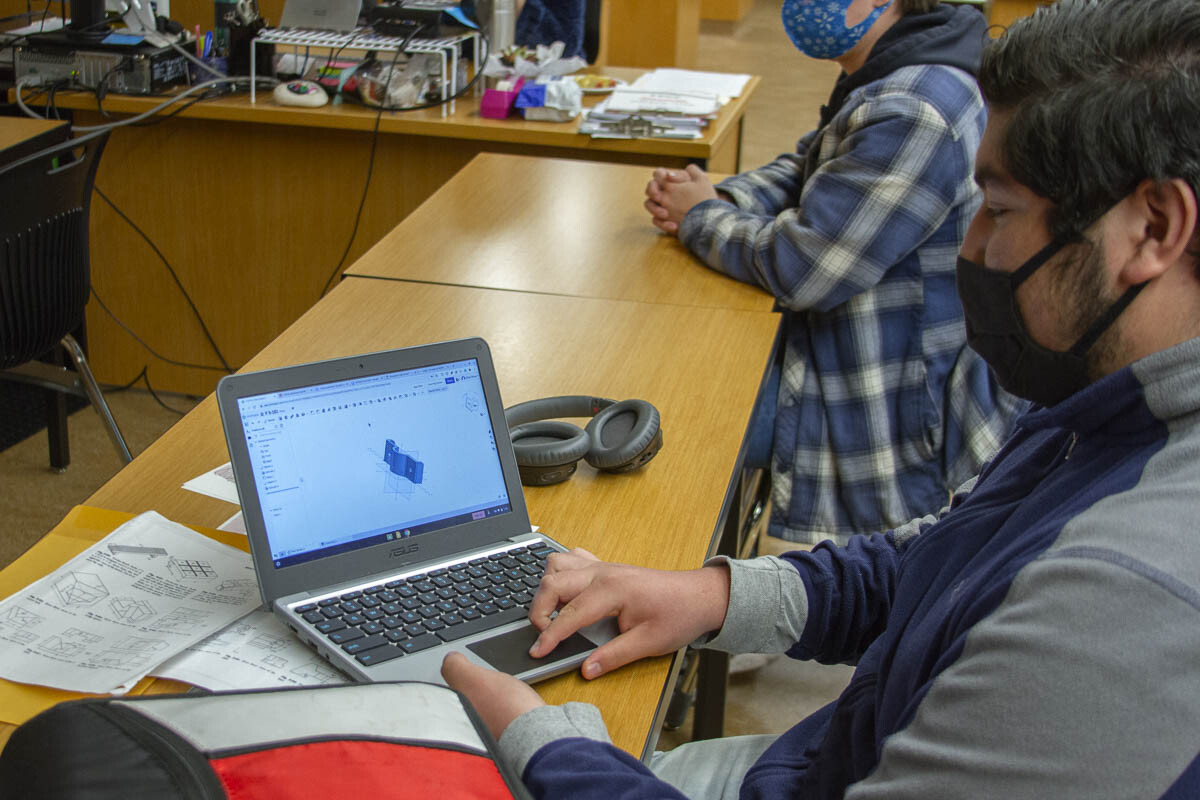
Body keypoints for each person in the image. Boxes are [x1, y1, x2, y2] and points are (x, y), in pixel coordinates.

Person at [442, 0, 1200, 796]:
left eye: (1000, 211)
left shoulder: (1127, 595)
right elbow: (944, 563)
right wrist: (713, 594)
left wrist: (547, 752)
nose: (970, 245)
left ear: (1155, 227)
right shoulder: (1109, 402)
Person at [646, 0, 1022, 544]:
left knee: (676, 401)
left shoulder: (915, 107)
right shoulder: (898, 65)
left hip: (882, 404)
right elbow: (813, 169)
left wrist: (701, 218)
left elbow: (806, 267)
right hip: (849, 351)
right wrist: (722, 198)